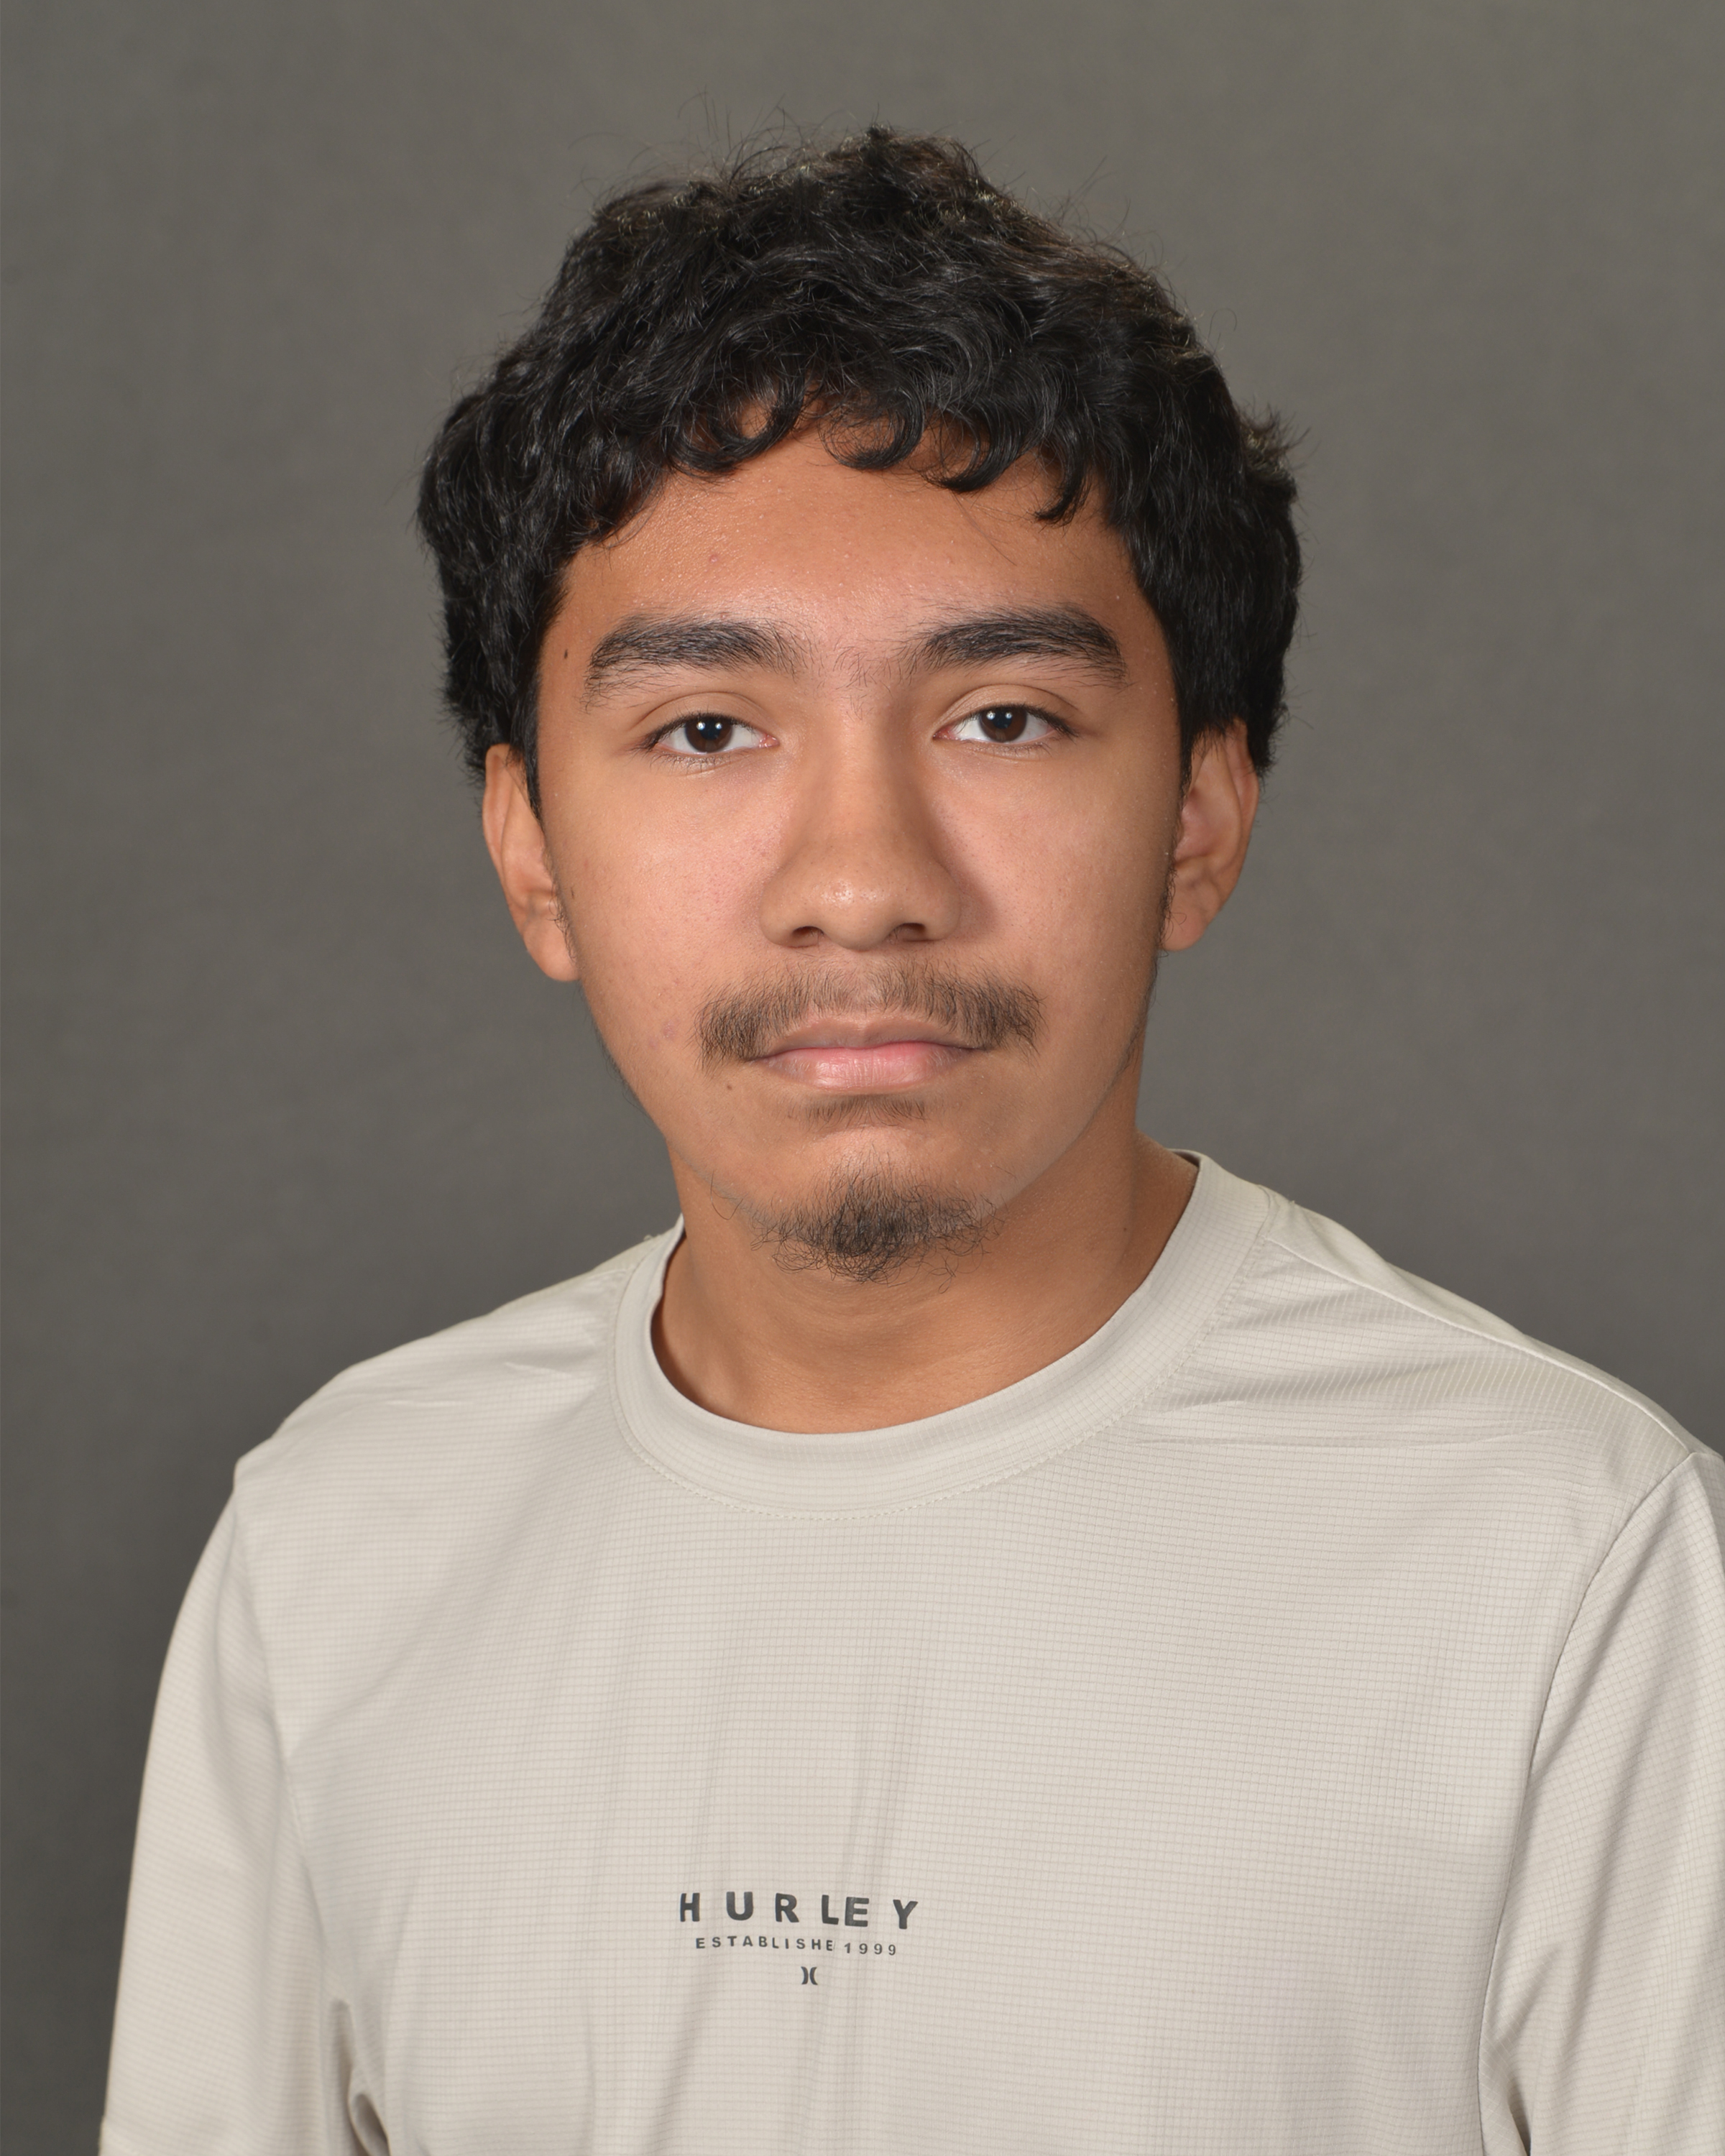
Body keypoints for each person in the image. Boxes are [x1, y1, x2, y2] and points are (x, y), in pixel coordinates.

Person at [102, 129, 1722, 2155]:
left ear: (1201, 815)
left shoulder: (1573, 1572)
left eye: (1002, 719)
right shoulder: (337, 1550)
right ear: (530, 849)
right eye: (708, 729)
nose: (862, 882)